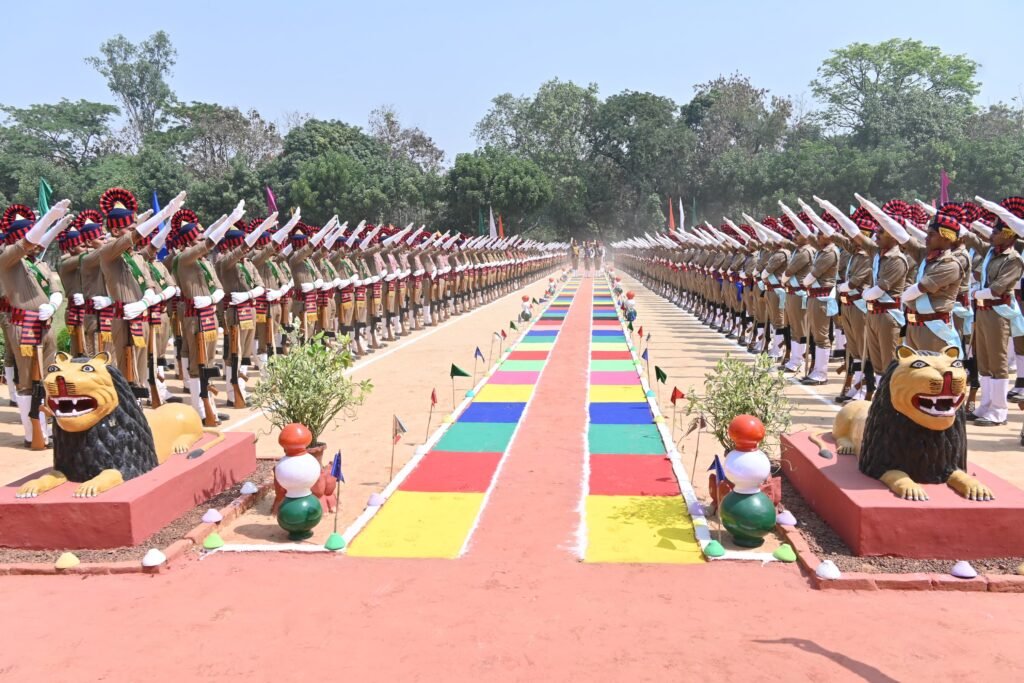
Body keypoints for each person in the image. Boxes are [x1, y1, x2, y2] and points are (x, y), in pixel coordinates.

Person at [0, 201, 70, 447]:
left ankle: (47, 424)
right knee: (28, 381)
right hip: (24, 326)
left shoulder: (39, 264)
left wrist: (53, 304)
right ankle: (33, 432)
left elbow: (55, 289)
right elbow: (26, 243)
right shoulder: (8, 259)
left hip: (45, 325)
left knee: (48, 376)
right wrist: (49, 218)